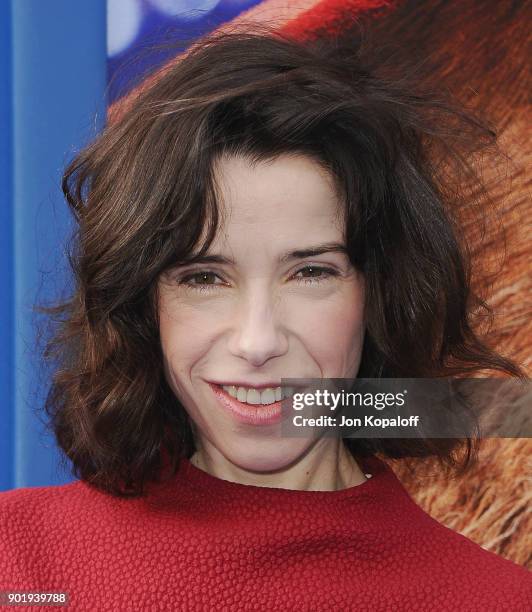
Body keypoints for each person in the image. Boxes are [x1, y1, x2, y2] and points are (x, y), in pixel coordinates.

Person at [0, 26, 530, 611]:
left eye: (310, 274)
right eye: (204, 278)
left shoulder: (495, 600)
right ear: (143, 304)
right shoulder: (20, 562)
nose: (258, 342)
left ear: (379, 293)